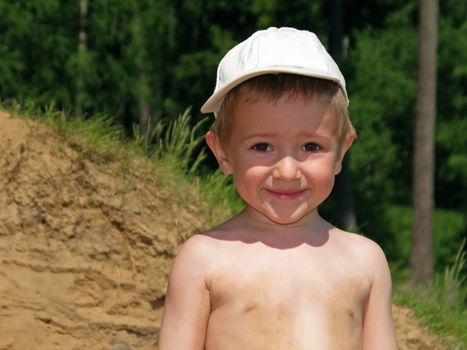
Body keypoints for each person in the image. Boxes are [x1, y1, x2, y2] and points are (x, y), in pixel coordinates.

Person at [159, 27, 398, 350]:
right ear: (223, 152)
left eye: (311, 147)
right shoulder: (204, 259)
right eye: (262, 147)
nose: (287, 171)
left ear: (342, 150)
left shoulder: (365, 261)